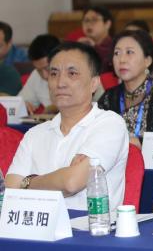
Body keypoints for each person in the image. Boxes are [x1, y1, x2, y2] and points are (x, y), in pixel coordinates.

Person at [6, 42, 129, 211]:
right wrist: (61, 178)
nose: (60, 83)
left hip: (91, 225)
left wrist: (27, 182)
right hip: (40, 225)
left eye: (72, 73)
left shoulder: (110, 124)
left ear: (94, 83)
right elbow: (10, 188)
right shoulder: (35, 134)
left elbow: (72, 183)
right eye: (54, 74)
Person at [98, 30, 153, 147]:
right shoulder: (108, 97)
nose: (122, 59)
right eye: (117, 53)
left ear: (147, 60)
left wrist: (136, 143)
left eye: (129, 52)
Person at [20, 34, 60, 114]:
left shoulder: (77, 74)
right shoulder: (36, 75)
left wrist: (55, 108)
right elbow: (20, 102)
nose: (44, 75)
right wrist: (23, 106)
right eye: (39, 70)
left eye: (47, 68)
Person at [78, 5, 114, 72]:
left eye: (94, 20)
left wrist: (95, 47)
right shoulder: (82, 44)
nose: (89, 24)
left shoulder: (115, 45)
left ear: (107, 24)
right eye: (86, 20)